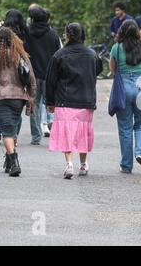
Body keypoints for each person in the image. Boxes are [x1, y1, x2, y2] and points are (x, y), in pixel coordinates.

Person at [45, 23, 103, 179]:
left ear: (68, 35)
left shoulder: (59, 55)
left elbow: (50, 80)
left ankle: (69, 164)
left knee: (67, 133)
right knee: (83, 133)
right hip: (86, 100)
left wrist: (50, 102)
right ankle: (83, 164)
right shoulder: (92, 54)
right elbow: (98, 69)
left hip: (65, 100)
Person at [0, 27, 36, 177]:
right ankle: (9, 160)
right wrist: (31, 98)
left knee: (7, 131)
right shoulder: (21, 56)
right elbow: (31, 79)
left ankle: (14, 162)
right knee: (12, 129)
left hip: (0, 97)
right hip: (18, 98)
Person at [110, 20, 141, 174]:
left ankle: (126, 165)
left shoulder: (116, 48)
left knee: (125, 127)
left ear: (121, 31)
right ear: (136, 32)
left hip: (124, 90)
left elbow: (113, 70)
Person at [24, 6, 62, 145]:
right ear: (47, 19)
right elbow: (59, 54)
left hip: (32, 75)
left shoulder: (27, 34)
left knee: (34, 104)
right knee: (52, 103)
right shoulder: (53, 35)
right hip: (50, 75)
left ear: (32, 19)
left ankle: (36, 136)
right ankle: (55, 133)